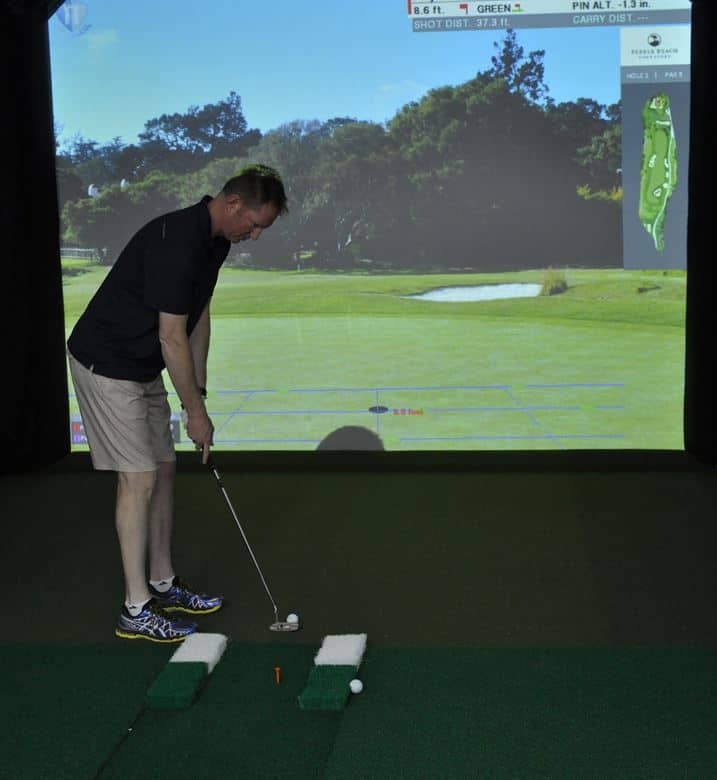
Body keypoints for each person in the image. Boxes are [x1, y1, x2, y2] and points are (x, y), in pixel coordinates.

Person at [67, 165, 288, 643]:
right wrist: (194, 413)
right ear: (232, 204)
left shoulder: (217, 243)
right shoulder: (177, 240)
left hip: (142, 363)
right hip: (106, 361)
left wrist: (199, 392)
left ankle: (163, 583)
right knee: (140, 477)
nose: (254, 234)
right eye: (253, 223)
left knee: (164, 468)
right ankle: (136, 607)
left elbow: (197, 317)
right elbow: (171, 337)